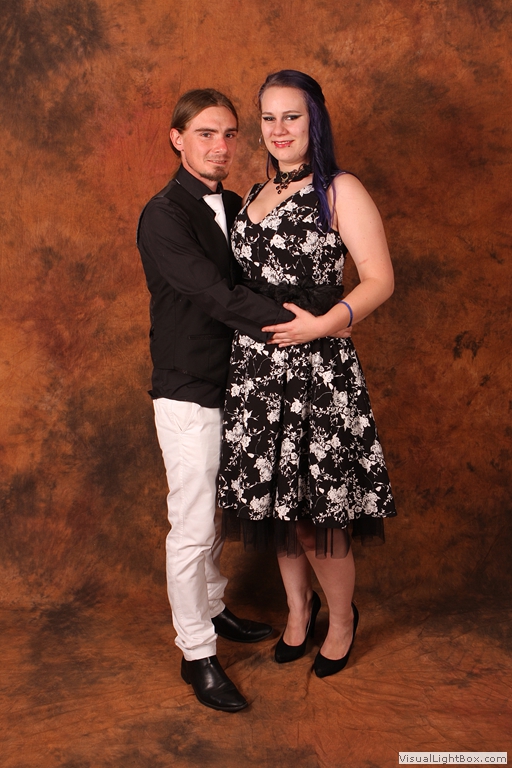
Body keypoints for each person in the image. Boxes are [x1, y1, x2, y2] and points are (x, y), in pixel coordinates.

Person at [218, 70, 397, 679]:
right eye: (268, 117)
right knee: (275, 507)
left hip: (316, 372)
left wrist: (324, 325)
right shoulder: (252, 193)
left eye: (291, 116)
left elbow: (379, 279)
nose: (279, 129)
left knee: (318, 516)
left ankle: (342, 620)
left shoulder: (339, 189)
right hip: (256, 373)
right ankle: (299, 611)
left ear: (314, 119)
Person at [136, 88, 296, 712]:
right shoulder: (163, 215)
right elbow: (217, 297)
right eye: (206, 133)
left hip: (241, 383)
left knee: (217, 516)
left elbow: (256, 275)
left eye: (230, 133)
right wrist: (305, 322)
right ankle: (197, 653)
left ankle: (212, 607)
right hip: (188, 388)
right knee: (193, 525)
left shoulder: (233, 204)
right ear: (177, 138)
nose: (221, 146)